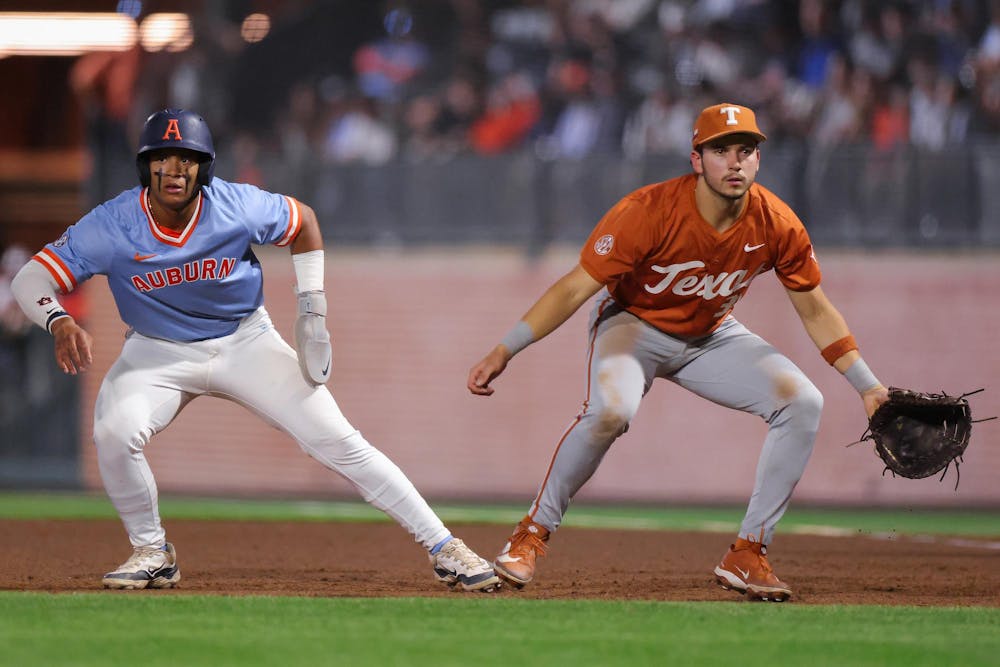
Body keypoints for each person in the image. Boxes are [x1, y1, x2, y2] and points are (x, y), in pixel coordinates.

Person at [11, 108, 500, 593]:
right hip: (156, 352)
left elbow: (303, 222)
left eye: (188, 159)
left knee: (337, 439)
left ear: (205, 167)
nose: (175, 170)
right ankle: (152, 551)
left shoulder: (234, 205)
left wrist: (312, 308)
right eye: (163, 158)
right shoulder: (113, 222)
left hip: (245, 340)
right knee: (114, 432)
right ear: (146, 166)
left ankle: (444, 546)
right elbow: (30, 277)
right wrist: (57, 319)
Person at [467, 103, 889, 602]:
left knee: (803, 403)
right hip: (632, 325)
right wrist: (506, 348)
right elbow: (574, 288)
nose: (735, 163)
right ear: (697, 160)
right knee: (612, 412)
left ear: (758, 160)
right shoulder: (648, 211)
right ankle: (531, 535)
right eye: (721, 151)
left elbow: (816, 310)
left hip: (711, 335)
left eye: (747, 151)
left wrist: (869, 387)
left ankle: (748, 553)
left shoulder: (776, 223)